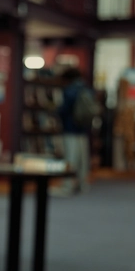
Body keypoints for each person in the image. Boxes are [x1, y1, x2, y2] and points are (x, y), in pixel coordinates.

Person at [55, 67, 94, 195]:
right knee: (82, 159)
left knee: (70, 158)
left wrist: (56, 111)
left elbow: (64, 110)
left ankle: (68, 185)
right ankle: (82, 184)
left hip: (70, 128)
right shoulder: (86, 89)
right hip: (83, 129)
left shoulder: (69, 91)